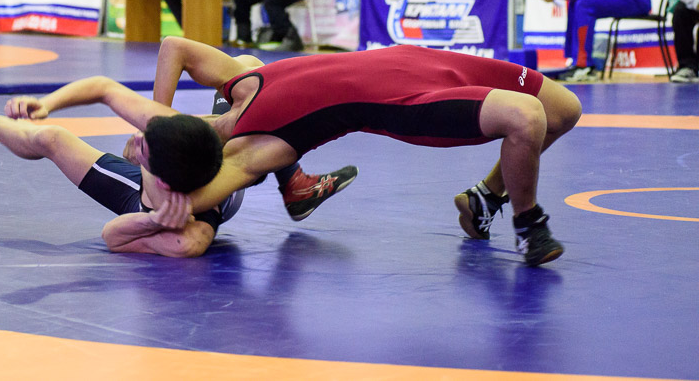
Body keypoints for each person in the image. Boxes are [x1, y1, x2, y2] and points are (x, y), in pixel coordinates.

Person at [134, 36, 582, 266]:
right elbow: (188, 203)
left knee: (565, 110)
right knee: (527, 117)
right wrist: (154, 168)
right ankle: (529, 226)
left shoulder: (241, 82)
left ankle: (483, 197)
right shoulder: (253, 150)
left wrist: (155, 120)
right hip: (407, 104)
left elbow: (173, 46)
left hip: (419, 60)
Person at [0, 57, 359, 255]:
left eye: (141, 150)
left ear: (157, 175)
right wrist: (49, 102)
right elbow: (105, 87)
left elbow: (112, 237)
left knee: (52, 140)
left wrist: (150, 220)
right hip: (183, 168)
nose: (132, 145)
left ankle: (293, 185)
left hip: (151, 206)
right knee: (251, 75)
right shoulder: (180, 133)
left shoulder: (190, 236)